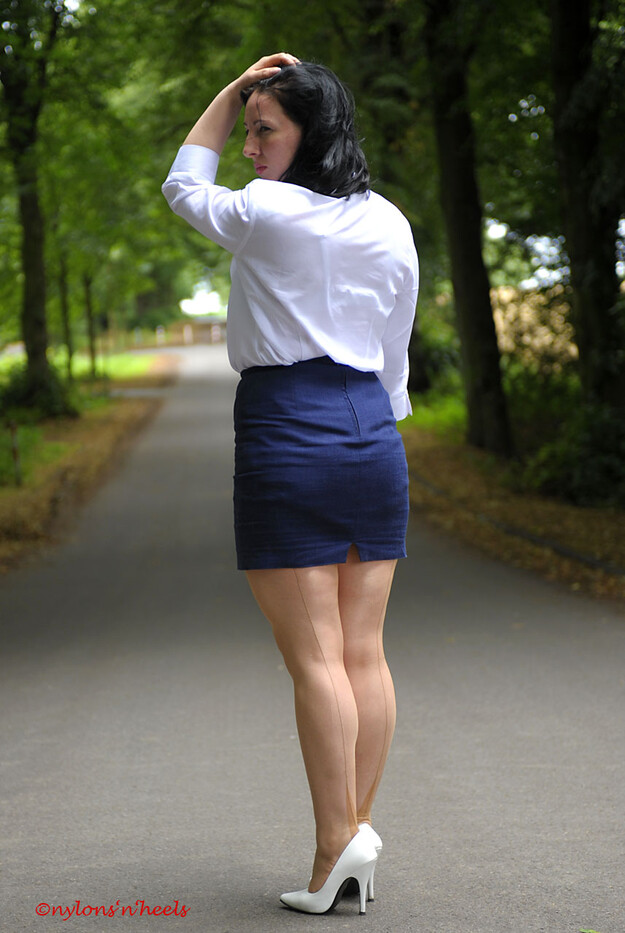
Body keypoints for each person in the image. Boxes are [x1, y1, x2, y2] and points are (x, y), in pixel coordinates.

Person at [162, 52, 419, 916]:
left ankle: (332, 848)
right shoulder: (388, 219)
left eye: (263, 130)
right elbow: (394, 348)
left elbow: (181, 183)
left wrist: (228, 89)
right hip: (371, 429)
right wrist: (374, 423)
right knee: (362, 651)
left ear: (310, 134)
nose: (248, 147)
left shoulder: (267, 210)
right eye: (247, 129)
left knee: (315, 658)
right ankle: (356, 831)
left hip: (286, 425)